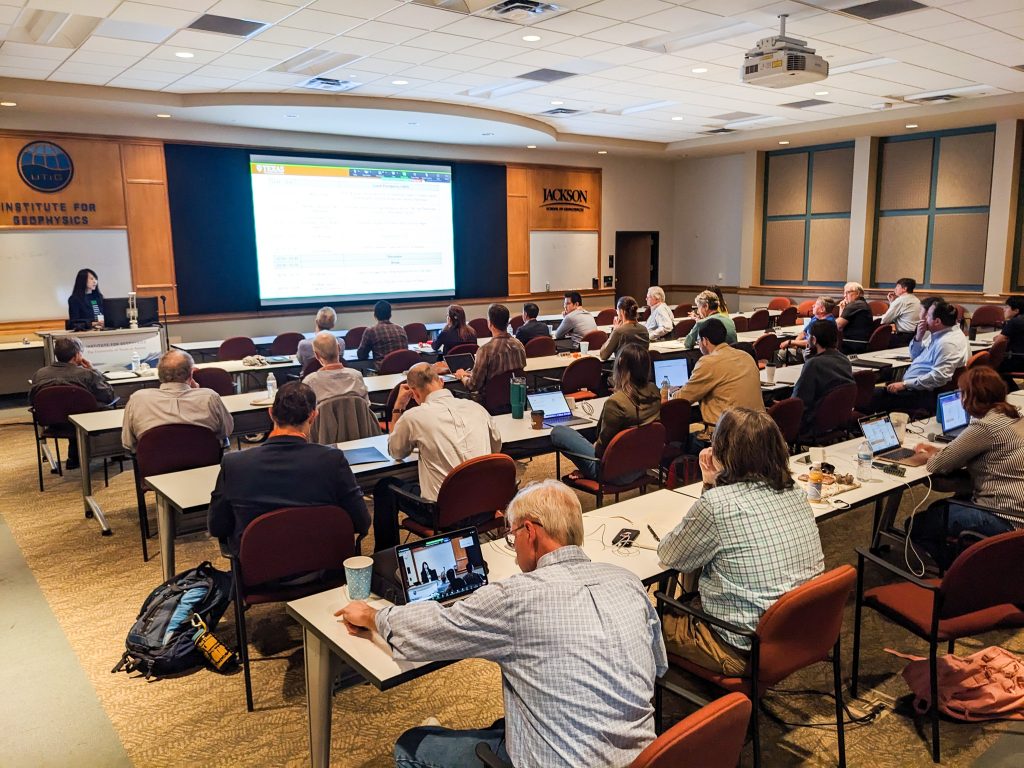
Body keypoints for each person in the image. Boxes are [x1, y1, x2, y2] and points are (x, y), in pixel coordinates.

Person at [338, 480, 667, 768]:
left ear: (530, 531)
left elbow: (434, 628)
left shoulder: (516, 597)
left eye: (512, 538)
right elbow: (658, 667)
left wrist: (372, 616)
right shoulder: (628, 582)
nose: (513, 551)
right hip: (644, 757)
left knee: (410, 745)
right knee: (504, 722)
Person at [658, 408, 824, 675]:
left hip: (740, 647)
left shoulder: (718, 504)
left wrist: (711, 486)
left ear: (722, 450)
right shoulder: (795, 491)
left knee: (648, 621)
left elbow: (671, 555)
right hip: (798, 632)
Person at [207, 382, 369, 557]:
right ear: (313, 416)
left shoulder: (234, 464)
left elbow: (217, 526)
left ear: (270, 413)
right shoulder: (332, 460)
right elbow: (362, 522)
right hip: (323, 568)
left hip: (259, 575)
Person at [372, 362, 502, 550]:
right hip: (486, 507)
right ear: (441, 382)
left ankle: (386, 556)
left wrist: (399, 406)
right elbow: (495, 449)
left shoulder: (414, 417)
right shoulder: (476, 408)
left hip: (445, 515)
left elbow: (396, 451)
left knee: (384, 487)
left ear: (414, 393)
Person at [905, 366, 1024, 568]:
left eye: (961, 393)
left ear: (971, 396)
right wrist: (942, 450)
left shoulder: (984, 426)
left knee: (916, 524)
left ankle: (960, 570)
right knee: (940, 507)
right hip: (1018, 509)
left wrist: (930, 453)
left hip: (1004, 516)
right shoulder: (1013, 416)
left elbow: (938, 465)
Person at [550, 344, 661, 481]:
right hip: (641, 466)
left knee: (559, 432)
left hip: (612, 473)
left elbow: (601, 450)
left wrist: (587, 466)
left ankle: (589, 471)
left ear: (620, 365)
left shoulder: (616, 402)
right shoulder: (655, 390)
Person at [673, 318, 764, 452]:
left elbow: (681, 400)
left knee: (679, 442)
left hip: (727, 437)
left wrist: (668, 392)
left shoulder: (708, 362)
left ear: (705, 341)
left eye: (698, 342)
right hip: (758, 430)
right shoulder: (746, 356)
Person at [30, 335, 117, 470]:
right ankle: (116, 453)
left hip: (54, 424)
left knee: (69, 410)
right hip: (85, 423)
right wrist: (93, 370)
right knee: (85, 411)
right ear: (77, 355)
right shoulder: (86, 374)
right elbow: (108, 396)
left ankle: (74, 457)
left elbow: (32, 400)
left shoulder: (39, 374)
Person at [121, 349, 233, 452]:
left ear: (159, 374)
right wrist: (198, 393)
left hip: (155, 470)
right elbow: (226, 431)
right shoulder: (209, 397)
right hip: (205, 466)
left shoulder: (138, 399)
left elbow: (128, 442)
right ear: (191, 374)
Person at [873, 299, 969, 414]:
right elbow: (915, 357)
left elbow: (938, 378)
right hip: (915, 387)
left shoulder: (947, 343)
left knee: (871, 395)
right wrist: (918, 337)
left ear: (937, 321)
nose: (923, 319)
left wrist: (904, 384)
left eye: (927, 316)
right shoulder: (940, 334)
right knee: (876, 390)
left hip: (922, 394)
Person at [791, 320, 855, 432]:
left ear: (814, 340)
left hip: (812, 421)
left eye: (808, 336)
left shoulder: (814, 364)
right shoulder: (844, 360)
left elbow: (799, 399)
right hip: (836, 417)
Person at [453, 304, 526, 395]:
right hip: (516, 398)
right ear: (507, 323)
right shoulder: (519, 345)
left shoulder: (485, 350)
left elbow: (473, 386)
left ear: (490, 323)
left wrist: (462, 375)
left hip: (491, 401)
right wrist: (472, 374)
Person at [302, 331, 369, 404]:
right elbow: (366, 406)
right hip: (355, 415)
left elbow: (308, 412)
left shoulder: (310, 382)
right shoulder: (356, 376)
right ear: (339, 348)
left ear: (317, 355)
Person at [779, 296, 835, 361]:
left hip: (815, 353)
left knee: (781, 353)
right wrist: (796, 343)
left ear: (822, 309)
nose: (812, 306)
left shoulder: (827, 323)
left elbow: (813, 342)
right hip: (804, 348)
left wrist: (791, 342)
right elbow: (804, 333)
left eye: (816, 304)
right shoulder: (816, 317)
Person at [598, 296, 649, 361]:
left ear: (622, 312)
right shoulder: (644, 330)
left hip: (623, 370)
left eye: (617, 310)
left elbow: (603, 355)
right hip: (642, 369)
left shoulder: (619, 331)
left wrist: (614, 331)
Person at [880, 278, 922, 346]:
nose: (895, 289)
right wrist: (892, 302)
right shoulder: (916, 300)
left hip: (902, 337)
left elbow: (884, 320)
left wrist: (875, 318)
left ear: (904, 289)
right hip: (914, 336)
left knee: (879, 339)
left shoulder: (901, 300)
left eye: (897, 286)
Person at [836, 282, 873, 352]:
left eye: (847, 292)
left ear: (857, 293)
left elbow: (838, 326)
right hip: (860, 343)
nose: (844, 295)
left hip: (852, 344)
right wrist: (842, 309)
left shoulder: (855, 305)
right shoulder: (863, 303)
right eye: (844, 293)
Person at [998, 295, 1024, 374]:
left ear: (1016, 310)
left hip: (1018, 361)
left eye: (1007, 307)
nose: (1004, 309)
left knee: (990, 364)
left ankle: (1009, 386)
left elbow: (999, 342)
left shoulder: (1014, 322)